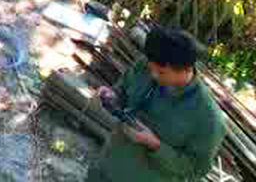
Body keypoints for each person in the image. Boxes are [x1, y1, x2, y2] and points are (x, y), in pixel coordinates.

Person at [89, 26, 226, 181]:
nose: (153, 75)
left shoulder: (208, 118)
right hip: (105, 168)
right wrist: (112, 96)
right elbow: (124, 88)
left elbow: (194, 170)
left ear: (186, 69)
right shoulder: (146, 65)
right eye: (150, 68)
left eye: (161, 72)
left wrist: (155, 145)